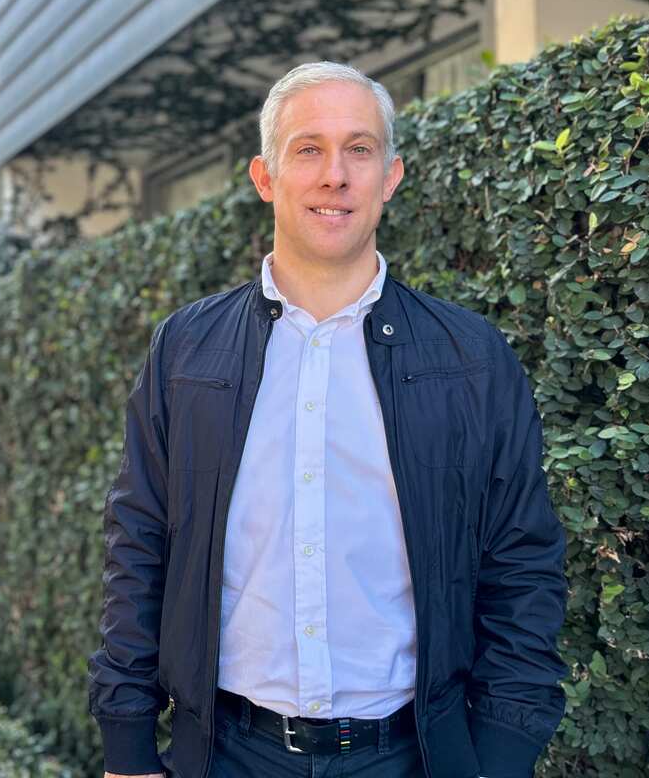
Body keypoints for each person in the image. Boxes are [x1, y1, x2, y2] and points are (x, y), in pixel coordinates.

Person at [87, 62, 568, 778]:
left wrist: (501, 754)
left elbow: (522, 562)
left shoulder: (471, 358)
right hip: (227, 755)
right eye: (308, 149)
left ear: (391, 176)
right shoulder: (187, 350)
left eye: (359, 149)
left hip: (411, 756)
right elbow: (141, 545)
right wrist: (126, 741)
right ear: (265, 177)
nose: (334, 174)